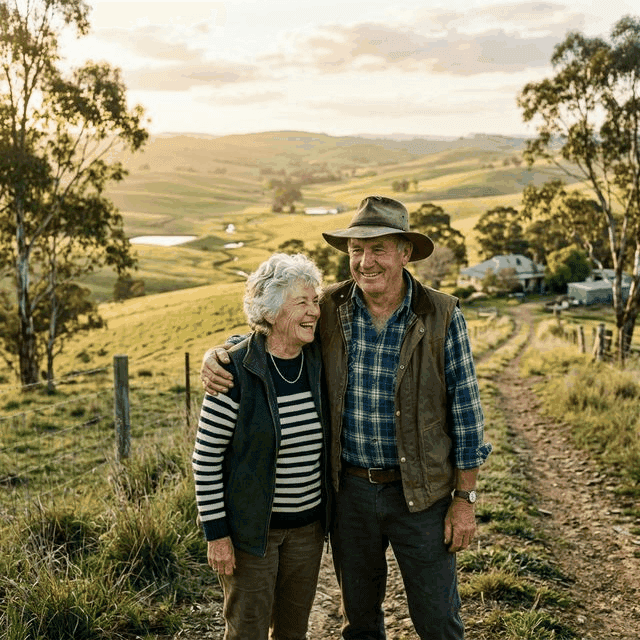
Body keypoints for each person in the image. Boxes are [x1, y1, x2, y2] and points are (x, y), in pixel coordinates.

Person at [201, 195, 492, 640]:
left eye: (378, 248)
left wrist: (464, 499)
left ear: (404, 252)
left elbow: (468, 417)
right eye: (356, 249)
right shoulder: (330, 308)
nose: (365, 261)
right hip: (350, 493)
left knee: (438, 618)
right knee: (360, 621)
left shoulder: (441, 314)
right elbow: (275, 327)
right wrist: (222, 353)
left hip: (423, 494)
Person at [192, 252, 331, 640]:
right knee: (247, 631)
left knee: (293, 631)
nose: (314, 312)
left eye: (315, 301)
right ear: (269, 312)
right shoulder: (233, 371)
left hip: (307, 531)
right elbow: (205, 459)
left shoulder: (319, 360)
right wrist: (216, 535)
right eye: (301, 302)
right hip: (252, 534)